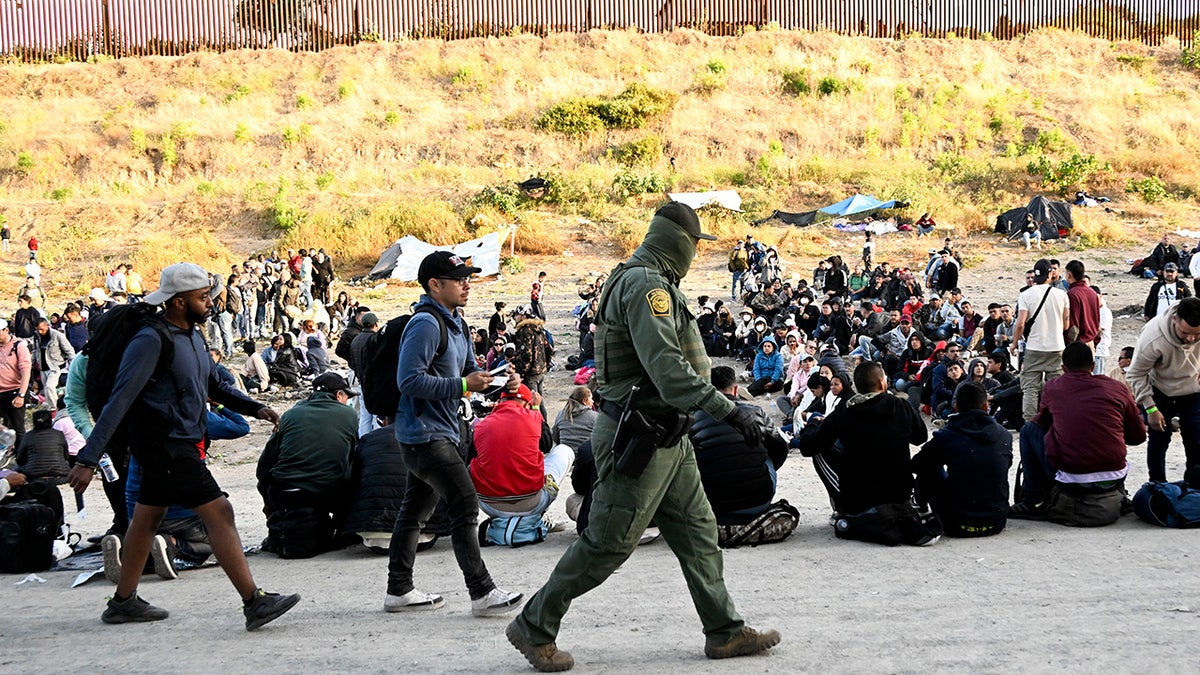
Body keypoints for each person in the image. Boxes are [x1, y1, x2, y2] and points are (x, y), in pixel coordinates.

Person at [507, 202, 778, 672]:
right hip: (643, 437)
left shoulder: (642, 278)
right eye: (694, 243)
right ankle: (533, 626)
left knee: (698, 535)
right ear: (677, 241)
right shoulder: (647, 285)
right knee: (608, 543)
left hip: (668, 436)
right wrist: (730, 412)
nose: (696, 252)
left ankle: (725, 631)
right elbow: (668, 371)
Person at [65, 262, 297, 630]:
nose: (210, 303)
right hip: (164, 443)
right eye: (202, 297)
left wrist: (256, 408)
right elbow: (119, 399)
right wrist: (89, 456)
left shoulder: (192, 335)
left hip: (179, 440)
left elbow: (212, 387)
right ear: (176, 302)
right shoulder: (150, 340)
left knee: (146, 518)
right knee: (219, 511)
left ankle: (123, 603)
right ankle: (254, 602)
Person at [386, 250, 523, 616]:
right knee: (465, 505)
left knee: (413, 512)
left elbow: (469, 374)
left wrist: (500, 382)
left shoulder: (457, 323)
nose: (467, 284)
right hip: (423, 435)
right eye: (459, 279)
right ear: (434, 285)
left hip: (442, 431)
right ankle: (482, 593)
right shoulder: (426, 324)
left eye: (468, 277)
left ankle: (398, 590)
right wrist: (463, 383)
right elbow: (409, 380)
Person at [1010, 343, 1146, 521]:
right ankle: (1120, 494)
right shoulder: (1116, 388)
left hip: (1071, 478)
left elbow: (1040, 423)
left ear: (1063, 368)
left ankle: (1032, 500)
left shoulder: (1054, 387)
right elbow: (1138, 437)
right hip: (1115, 476)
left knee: (1028, 430)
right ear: (1092, 366)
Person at [798, 362, 928, 518]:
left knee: (819, 452)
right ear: (881, 382)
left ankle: (842, 506)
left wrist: (812, 424)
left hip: (859, 499)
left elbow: (808, 447)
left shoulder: (845, 410)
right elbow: (920, 437)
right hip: (899, 495)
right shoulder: (900, 405)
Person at [257, 372, 359, 547]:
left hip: (283, 491)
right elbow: (353, 456)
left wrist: (267, 498)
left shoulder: (290, 414)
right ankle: (344, 530)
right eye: (347, 396)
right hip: (327, 492)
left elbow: (265, 464)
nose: (347, 401)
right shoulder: (348, 414)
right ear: (338, 395)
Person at [471, 384, 573, 540]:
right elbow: (546, 445)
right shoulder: (533, 417)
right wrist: (537, 408)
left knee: (473, 465)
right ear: (527, 403)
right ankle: (538, 517)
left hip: (490, 504)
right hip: (533, 502)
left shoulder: (481, 425)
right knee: (564, 450)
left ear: (500, 401)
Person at [690, 366, 788, 524]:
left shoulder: (695, 419)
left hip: (714, 505)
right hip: (758, 503)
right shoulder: (757, 413)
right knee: (767, 452)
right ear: (735, 390)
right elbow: (781, 449)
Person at [912, 381, 1012, 537]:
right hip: (996, 522)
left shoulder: (948, 435)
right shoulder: (1004, 434)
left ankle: (920, 507)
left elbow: (918, 465)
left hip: (956, 523)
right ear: (986, 407)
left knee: (930, 465)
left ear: (956, 407)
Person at [1127, 296, 1200, 483]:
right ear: (1175, 319)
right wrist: (1150, 408)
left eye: (1197, 335)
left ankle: (1194, 489)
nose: (1191, 339)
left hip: (1193, 389)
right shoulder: (1154, 336)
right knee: (1159, 439)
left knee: (1196, 439)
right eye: (1185, 333)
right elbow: (1135, 374)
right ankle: (1158, 486)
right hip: (1160, 389)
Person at [1011, 259, 1070, 422]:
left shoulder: (1025, 295)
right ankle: (1057, 419)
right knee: (1056, 387)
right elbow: (1066, 325)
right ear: (1050, 273)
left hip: (1034, 347)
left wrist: (1014, 343)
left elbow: (1020, 324)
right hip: (1057, 346)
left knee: (1030, 387)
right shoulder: (1062, 295)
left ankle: (1030, 423)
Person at [0, 319, 32, 451]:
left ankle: (21, 458)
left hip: (14, 390)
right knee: (6, 426)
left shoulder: (18, 346)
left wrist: (21, 395)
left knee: (18, 427)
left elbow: (25, 371)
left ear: (6, 330)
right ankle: (7, 449)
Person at [34, 317, 74, 409]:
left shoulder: (57, 335)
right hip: (43, 367)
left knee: (49, 386)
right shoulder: (36, 336)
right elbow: (36, 350)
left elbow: (69, 350)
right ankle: (51, 407)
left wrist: (73, 365)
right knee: (47, 390)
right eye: (38, 329)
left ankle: (54, 408)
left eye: (42, 329)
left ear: (47, 326)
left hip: (56, 366)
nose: (40, 332)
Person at [552, 386, 597, 453]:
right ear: (584, 401)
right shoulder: (595, 416)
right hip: (586, 457)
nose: (593, 401)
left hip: (565, 456)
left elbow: (555, 437)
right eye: (591, 399)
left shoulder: (561, 414)